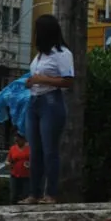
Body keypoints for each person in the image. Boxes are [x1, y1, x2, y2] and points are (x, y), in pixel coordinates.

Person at [23, 14, 77, 204]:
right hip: (34, 100)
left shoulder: (62, 53)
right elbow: (36, 76)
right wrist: (31, 82)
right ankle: (34, 193)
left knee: (49, 150)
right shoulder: (40, 55)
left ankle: (50, 193)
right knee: (35, 150)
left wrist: (42, 79)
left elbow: (68, 80)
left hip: (51, 102)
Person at [7, 137, 31, 205]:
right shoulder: (12, 148)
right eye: (16, 141)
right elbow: (8, 160)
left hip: (27, 176)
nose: (17, 141)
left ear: (23, 139)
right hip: (14, 175)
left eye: (18, 140)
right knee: (13, 195)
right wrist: (8, 164)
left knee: (26, 195)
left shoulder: (29, 148)